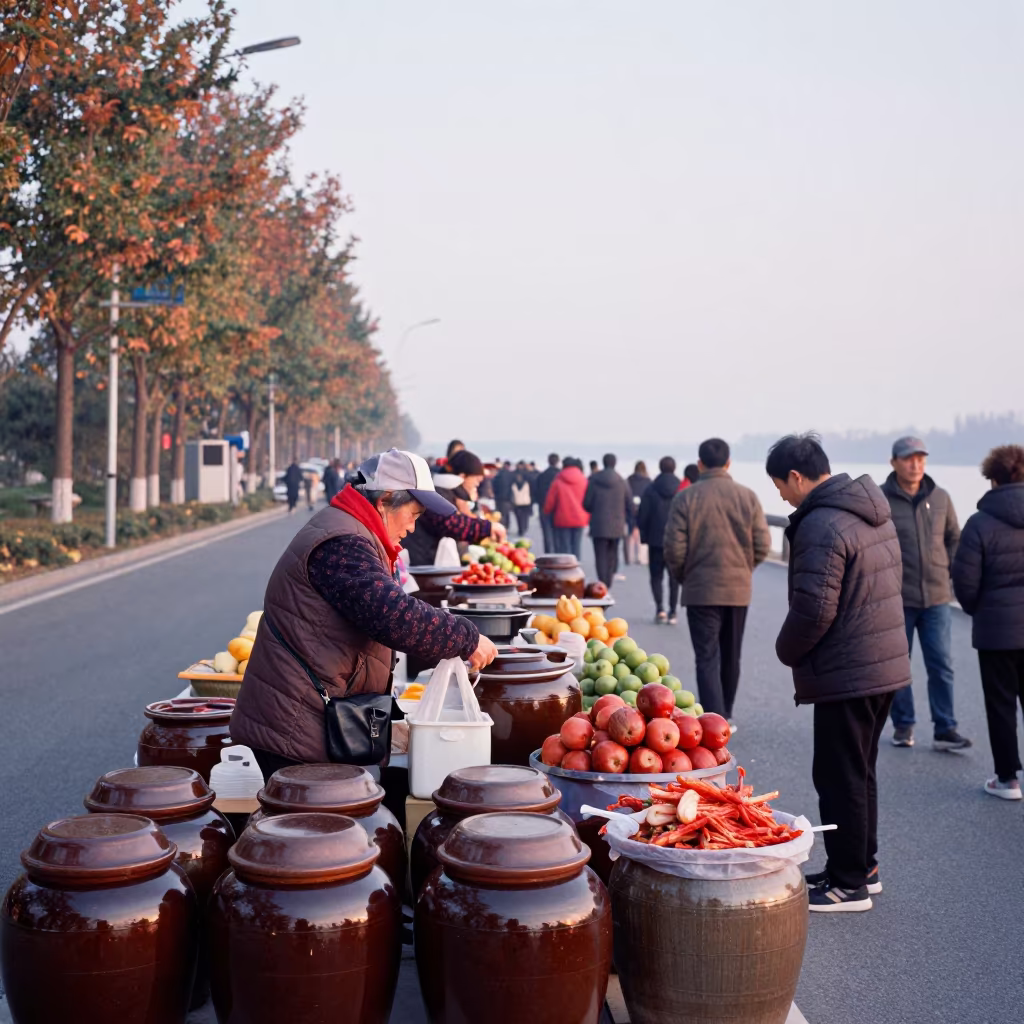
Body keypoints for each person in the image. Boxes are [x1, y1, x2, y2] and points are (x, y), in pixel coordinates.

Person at [232, 448, 499, 778]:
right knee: (317, 826)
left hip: (313, 717)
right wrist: (464, 636)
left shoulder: (354, 530)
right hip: (296, 728)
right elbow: (390, 614)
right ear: (385, 499)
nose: (414, 528)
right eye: (413, 514)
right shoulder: (343, 542)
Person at [767, 434, 910, 912]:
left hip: (848, 668)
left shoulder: (820, 523)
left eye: (780, 487)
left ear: (796, 477)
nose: (781, 498)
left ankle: (848, 884)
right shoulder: (871, 511)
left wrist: (786, 650)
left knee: (838, 774)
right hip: (882, 661)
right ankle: (861, 867)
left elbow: (813, 608)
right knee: (859, 769)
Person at [664, 439, 770, 723]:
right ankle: (727, 715)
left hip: (700, 590)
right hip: (737, 590)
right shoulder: (747, 496)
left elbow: (674, 549)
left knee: (707, 656)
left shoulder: (686, 498)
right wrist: (743, 570)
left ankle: (715, 719)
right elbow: (763, 544)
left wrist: (685, 576)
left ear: (700, 464)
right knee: (731, 655)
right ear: (728, 463)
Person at [881, 436, 969, 751]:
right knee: (897, 667)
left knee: (941, 664)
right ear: (894, 462)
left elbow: (954, 539)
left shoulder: (941, 497)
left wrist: (955, 579)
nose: (915, 464)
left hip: (936, 598)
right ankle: (904, 726)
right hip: (896, 600)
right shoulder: (881, 500)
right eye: (908, 458)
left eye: (920, 458)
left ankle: (945, 728)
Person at [952, 445, 1024, 800]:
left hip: (997, 632)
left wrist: (981, 610)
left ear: (994, 479)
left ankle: (1008, 780)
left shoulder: (980, 523)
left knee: (1001, 705)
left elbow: (964, 581)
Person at [402, 448, 506, 565]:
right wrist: (487, 527)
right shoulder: (435, 493)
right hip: (422, 563)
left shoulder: (446, 492)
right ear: (462, 476)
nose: (477, 485)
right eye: (476, 480)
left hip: (430, 559)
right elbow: (451, 523)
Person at [638, 456, 681, 624]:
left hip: (655, 540)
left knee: (656, 576)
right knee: (674, 578)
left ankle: (659, 609)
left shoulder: (651, 488)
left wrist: (644, 536)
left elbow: (643, 515)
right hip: (676, 540)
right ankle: (673, 611)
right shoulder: (681, 488)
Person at [583, 453, 633, 588]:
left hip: (598, 524)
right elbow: (630, 504)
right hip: (617, 525)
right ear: (615, 463)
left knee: (600, 555)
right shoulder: (622, 481)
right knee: (612, 553)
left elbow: (586, 503)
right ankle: (608, 582)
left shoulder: (594, 480)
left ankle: (602, 581)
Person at [544, 457, 589, 559]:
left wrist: (547, 511)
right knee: (576, 545)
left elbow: (550, 500)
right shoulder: (584, 480)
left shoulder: (558, 481)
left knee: (564, 546)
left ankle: (565, 569)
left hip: (562, 518)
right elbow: (588, 499)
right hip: (580, 518)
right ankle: (576, 566)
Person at [534, 454, 561, 553]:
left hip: (544, 507)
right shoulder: (560, 475)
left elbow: (536, 491)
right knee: (557, 534)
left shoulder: (542, 475)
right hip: (558, 508)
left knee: (547, 533)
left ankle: (549, 554)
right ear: (558, 461)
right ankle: (558, 554)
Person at [626, 461, 651, 564]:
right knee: (642, 533)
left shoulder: (629, 480)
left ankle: (630, 557)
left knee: (631, 533)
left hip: (631, 508)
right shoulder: (648, 481)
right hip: (643, 508)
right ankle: (640, 557)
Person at [511, 463, 532, 537]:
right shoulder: (527, 483)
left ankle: (521, 529)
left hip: (518, 503)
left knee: (519, 518)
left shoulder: (513, 484)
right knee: (524, 517)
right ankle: (524, 528)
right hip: (526, 502)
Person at [492, 460, 514, 534]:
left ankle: (503, 528)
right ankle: (506, 527)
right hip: (508, 498)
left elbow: (494, 484)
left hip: (499, 498)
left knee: (501, 514)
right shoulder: (511, 474)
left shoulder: (499, 474)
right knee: (506, 514)